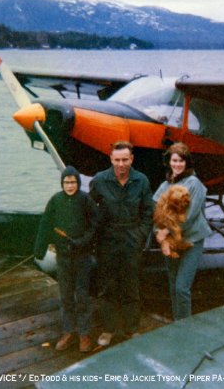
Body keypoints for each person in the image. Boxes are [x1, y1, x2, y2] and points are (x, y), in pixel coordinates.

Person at [90, 141, 153, 346]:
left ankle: (131, 329)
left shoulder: (141, 181)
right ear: (111, 159)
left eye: (125, 160)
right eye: (117, 160)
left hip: (131, 238)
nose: (121, 164)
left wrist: (139, 236)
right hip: (107, 240)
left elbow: (147, 213)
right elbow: (89, 211)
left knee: (131, 285)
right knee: (107, 286)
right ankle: (108, 329)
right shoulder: (99, 180)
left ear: (132, 159)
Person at [34, 166, 98, 352]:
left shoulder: (85, 200)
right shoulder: (55, 200)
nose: (70, 186)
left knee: (82, 295)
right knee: (66, 295)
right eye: (66, 182)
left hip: (82, 257)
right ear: (62, 184)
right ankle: (69, 331)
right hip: (63, 257)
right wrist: (39, 249)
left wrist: (83, 241)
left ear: (78, 183)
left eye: (73, 182)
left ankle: (84, 333)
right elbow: (45, 225)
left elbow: (95, 224)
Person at [153, 142, 212, 321]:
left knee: (181, 288)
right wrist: (159, 233)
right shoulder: (164, 185)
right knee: (173, 287)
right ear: (169, 162)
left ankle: (185, 326)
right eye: (174, 160)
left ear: (187, 163)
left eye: (181, 161)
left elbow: (190, 216)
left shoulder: (195, 183)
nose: (177, 165)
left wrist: (166, 232)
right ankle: (177, 324)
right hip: (172, 242)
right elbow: (155, 211)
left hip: (192, 239)